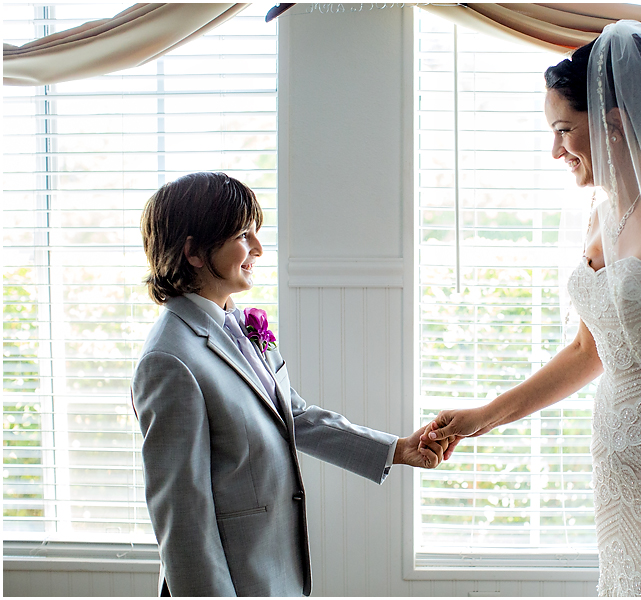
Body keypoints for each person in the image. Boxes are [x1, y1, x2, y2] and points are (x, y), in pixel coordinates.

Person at [421, 21, 641, 597]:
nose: (555, 149)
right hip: (621, 469)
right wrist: (484, 416)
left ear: (614, 123)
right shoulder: (601, 218)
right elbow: (589, 350)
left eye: (563, 130)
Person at [132, 171, 450, 596]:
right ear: (193, 251)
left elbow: (293, 416)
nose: (258, 249)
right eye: (243, 235)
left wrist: (397, 450)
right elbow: (183, 518)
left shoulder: (237, 325)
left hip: (274, 573)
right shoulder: (168, 360)